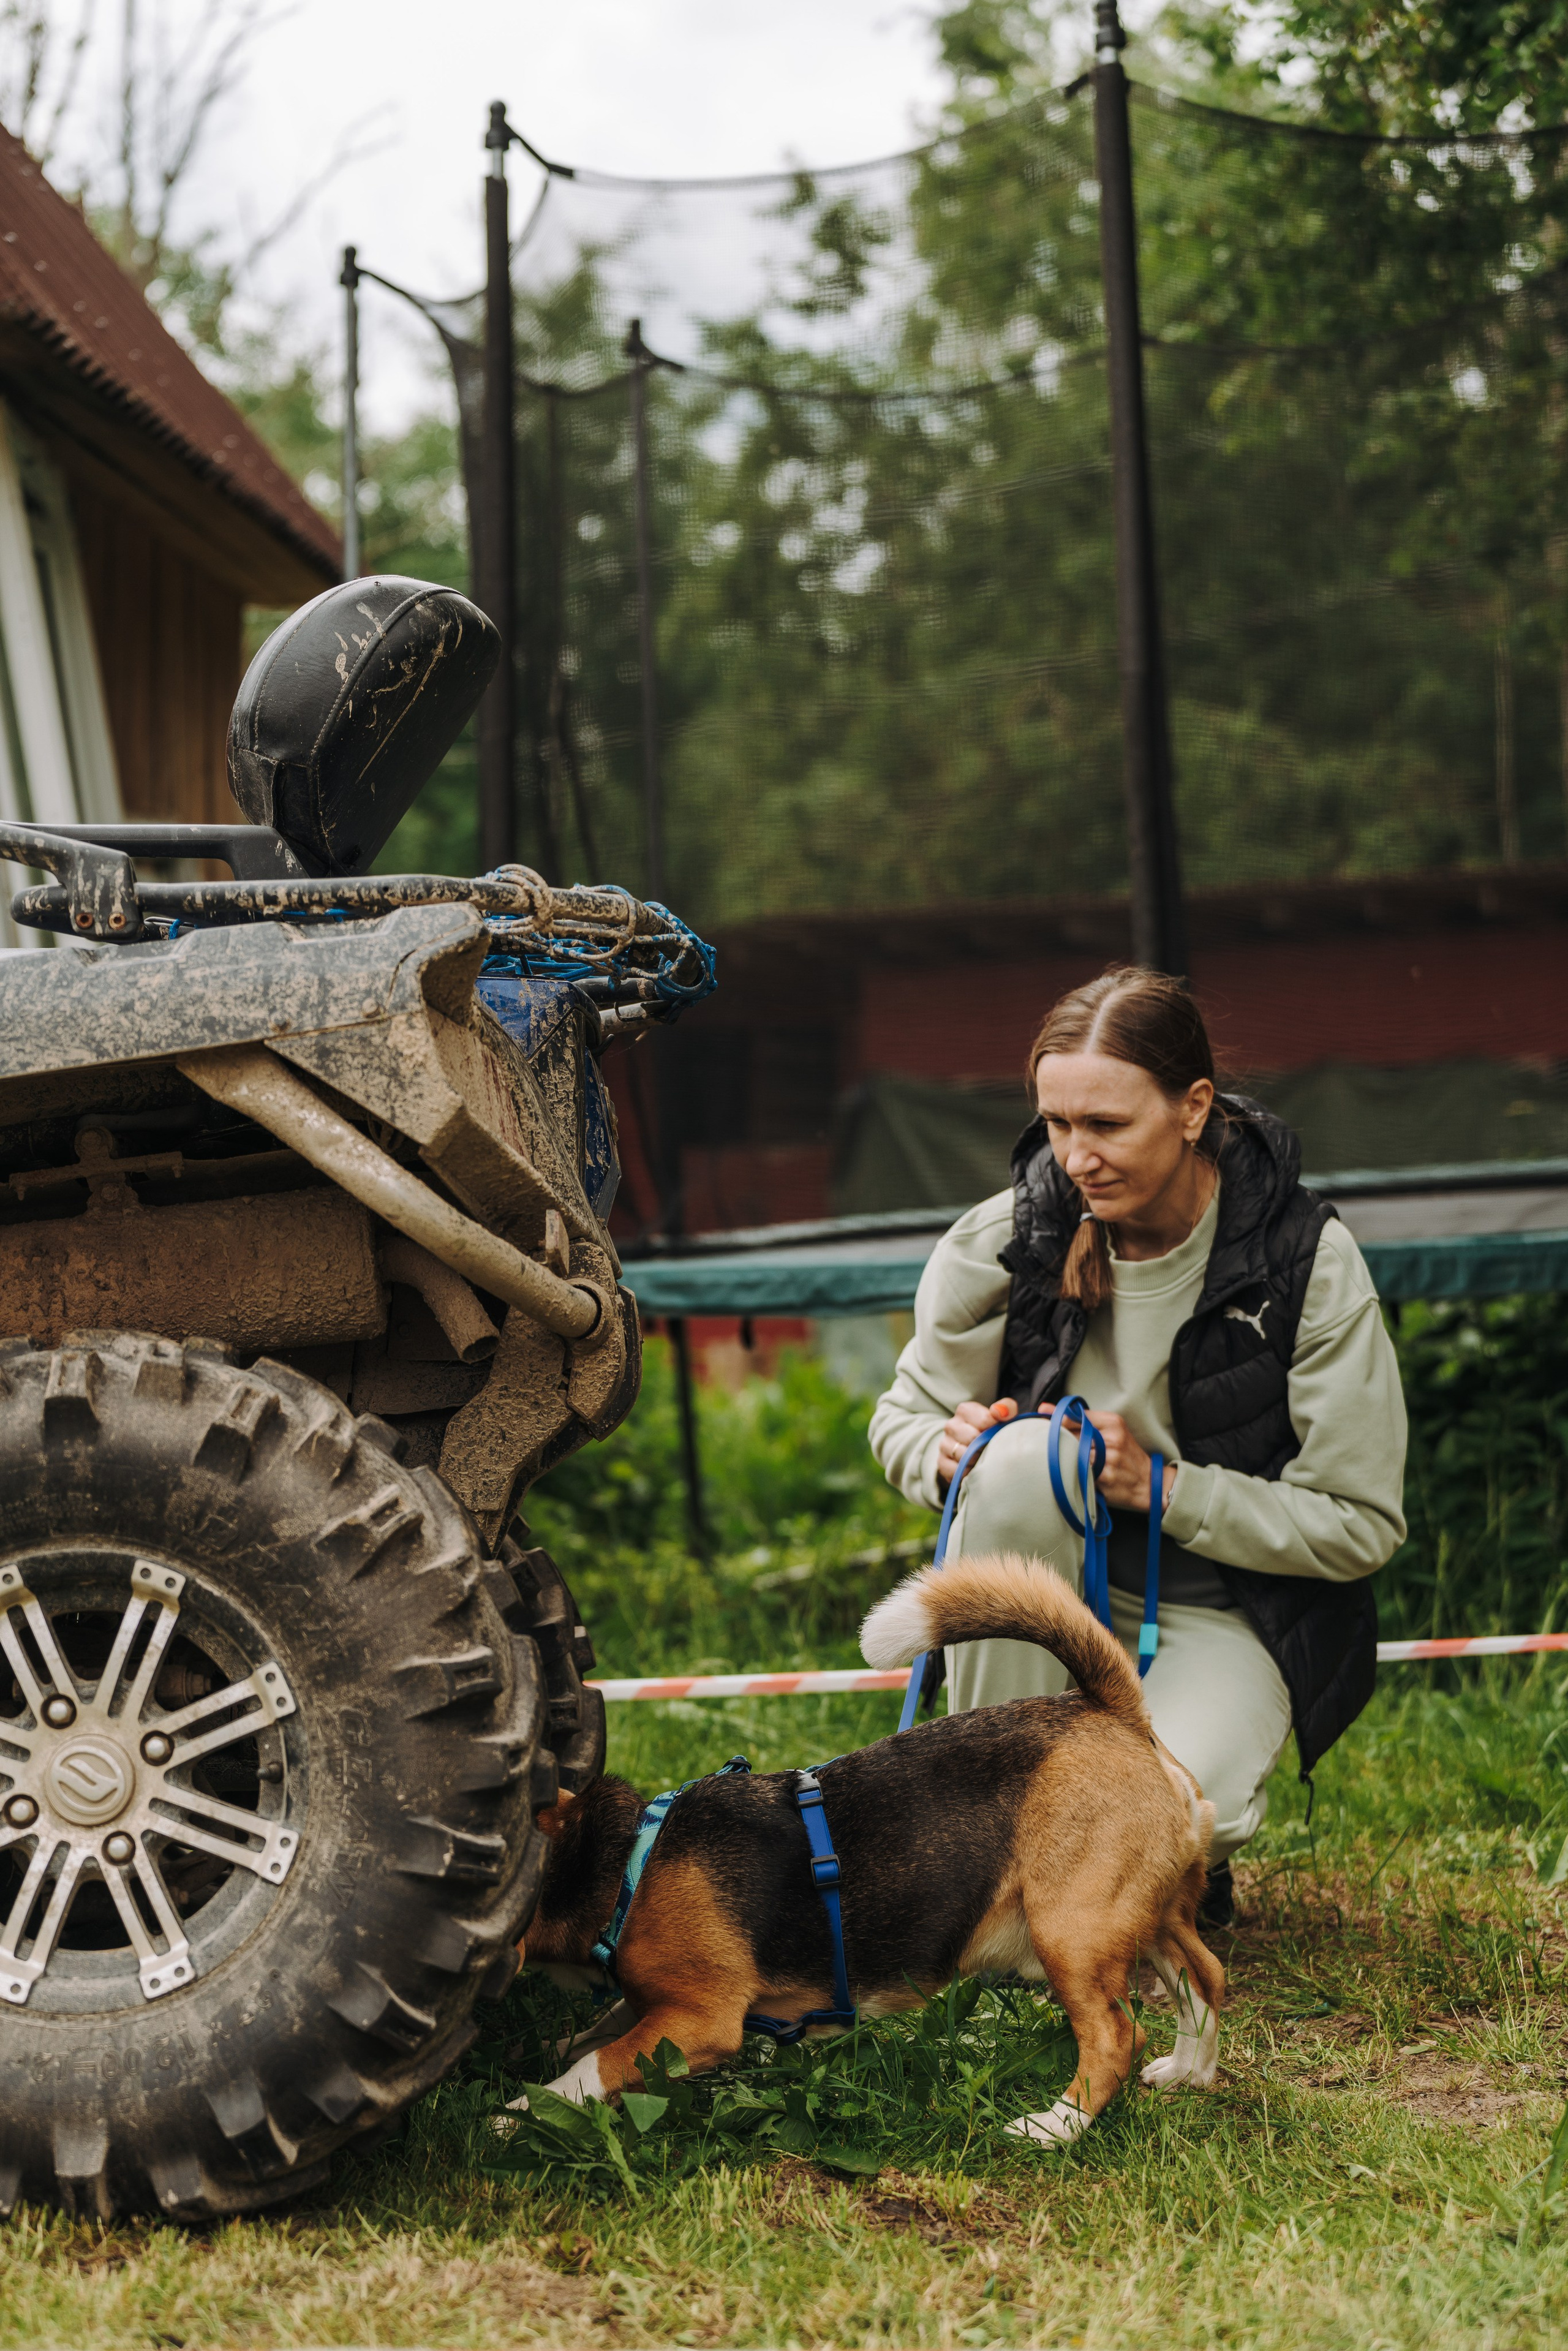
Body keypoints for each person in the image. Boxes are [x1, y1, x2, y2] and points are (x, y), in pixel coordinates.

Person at [869, 966, 1407, 1915]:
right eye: (1057, 1124)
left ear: (1194, 1107)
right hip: (1048, 1594)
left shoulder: (1306, 1260)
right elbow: (901, 1421)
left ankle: (1141, 1861)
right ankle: (994, 1851)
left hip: (1229, 1609)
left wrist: (1161, 1488)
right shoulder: (1001, 1239)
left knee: (1169, 1807)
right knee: (1024, 1460)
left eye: (1107, 1125)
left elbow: (1359, 1524)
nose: (1076, 1156)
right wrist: (947, 1455)